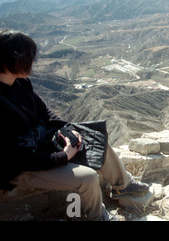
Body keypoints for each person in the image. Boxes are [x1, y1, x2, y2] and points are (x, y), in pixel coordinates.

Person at [0, 29, 150, 221]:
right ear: (9, 59)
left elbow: (45, 113)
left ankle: (124, 186)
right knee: (87, 178)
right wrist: (64, 156)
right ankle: (96, 216)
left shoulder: (21, 84)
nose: (32, 62)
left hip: (41, 147)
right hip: (21, 167)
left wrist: (70, 130)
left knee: (95, 138)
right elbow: (18, 158)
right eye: (28, 57)